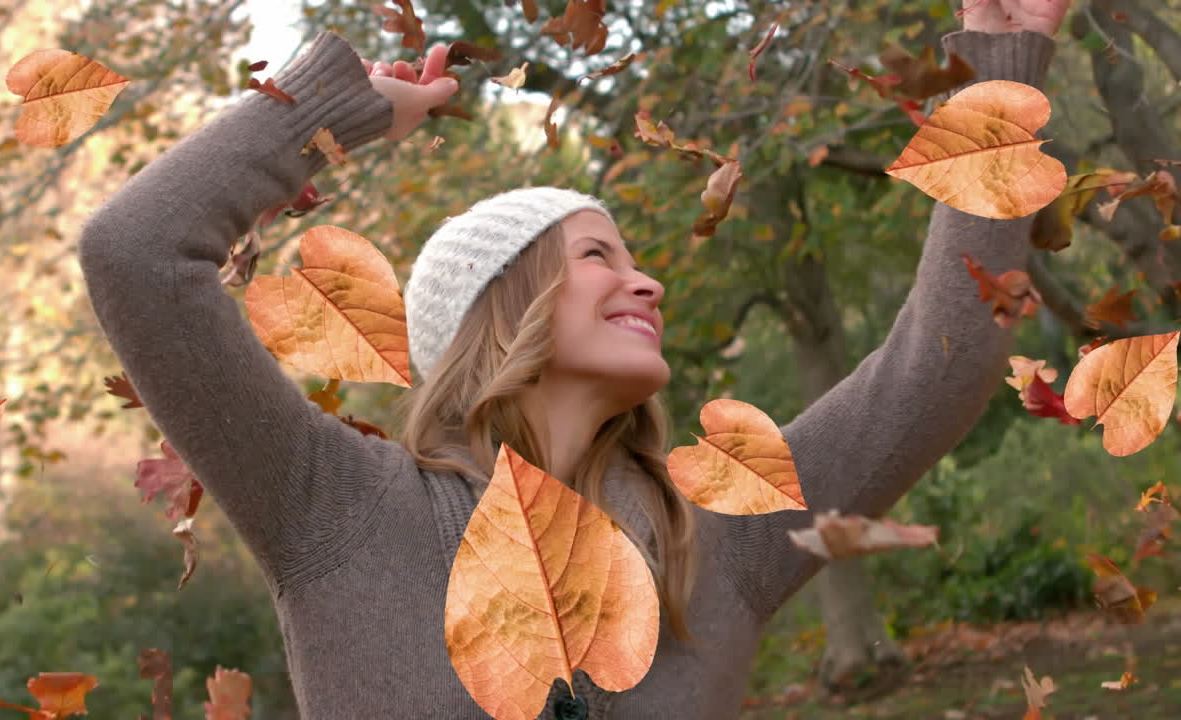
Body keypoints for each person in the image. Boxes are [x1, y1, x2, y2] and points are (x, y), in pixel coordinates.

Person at [77, 1, 1071, 717]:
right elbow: (137, 253)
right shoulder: (329, 505)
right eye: (599, 255)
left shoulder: (719, 534)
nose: (649, 285)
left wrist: (998, 78)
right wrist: (333, 114)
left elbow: (934, 368)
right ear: (496, 307)